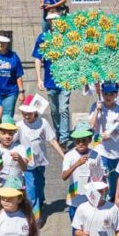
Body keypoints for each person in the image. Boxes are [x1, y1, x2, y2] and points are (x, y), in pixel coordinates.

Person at [16, 95, 65, 219]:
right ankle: (34, 216)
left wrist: (63, 156)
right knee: (31, 187)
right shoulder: (20, 125)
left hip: (41, 160)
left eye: (29, 113)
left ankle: (40, 200)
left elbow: (52, 140)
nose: (26, 116)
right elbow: (13, 141)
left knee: (40, 183)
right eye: (24, 113)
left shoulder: (43, 123)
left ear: (35, 112)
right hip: (27, 162)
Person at [32, 17, 72, 146]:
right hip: (50, 80)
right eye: (51, 20)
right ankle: (59, 132)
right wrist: (39, 78)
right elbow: (38, 58)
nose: (54, 23)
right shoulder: (43, 37)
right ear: (48, 22)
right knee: (54, 110)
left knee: (63, 108)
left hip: (66, 80)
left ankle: (64, 138)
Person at [88, 82, 119, 197]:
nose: (108, 97)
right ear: (101, 93)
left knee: (113, 179)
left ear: (116, 95)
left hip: (115, 151)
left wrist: (111, 135)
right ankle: (100, 199)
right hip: (99, 148)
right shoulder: (95, 106)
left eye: (111, 94)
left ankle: (112, 197)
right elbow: (92, 125)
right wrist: (97, 110)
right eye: (106, 94)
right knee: (101, 176)